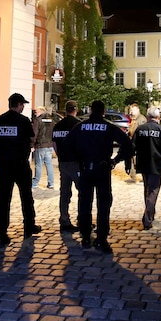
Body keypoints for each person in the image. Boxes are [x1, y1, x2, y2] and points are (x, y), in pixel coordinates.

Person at [64, 100, 133, 254]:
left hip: (85, 169)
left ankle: (86, 236)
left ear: (90, 110)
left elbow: (67, 145)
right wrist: (116, 160)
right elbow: (128, 145)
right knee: (103, 204)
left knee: (84, 203)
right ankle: (101, 238)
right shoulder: (109, 126)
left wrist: (78, 160)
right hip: (103, 169)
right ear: (103, 112)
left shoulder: (80, 126)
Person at [0, 93, 41, 248]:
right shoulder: (23, 121)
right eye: (22, 104)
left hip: (4, 164)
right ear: (18, 104)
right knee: (26, 196)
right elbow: (31, 139)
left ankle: (1, 232)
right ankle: (29, 225)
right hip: (20, 164)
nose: (23, 107)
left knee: (3, 199)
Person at [132, 108, 161, 230]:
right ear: (158, 117)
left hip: (143, 163)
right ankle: (147, 219)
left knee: (147, 189)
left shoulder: (140, 129)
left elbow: (133, 145)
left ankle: (150, 213)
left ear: (147, 116)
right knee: (153, 191)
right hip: (156, 164)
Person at [51, 99, 82, 232]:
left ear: (66, 110)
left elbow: (54, 145)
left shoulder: (58, 125)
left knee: (64, 193)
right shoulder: (79, 125)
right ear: (76, 110)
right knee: (83, 192)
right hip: (77, 163)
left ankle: (64, 219)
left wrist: (60, 155)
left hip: (63, 163)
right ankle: (82, 219)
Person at [32, 106, 56, 189]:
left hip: (40, 145)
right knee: (49, 164)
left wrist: (32, 145)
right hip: (49, 145)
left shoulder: (38, 120)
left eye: (36, 112)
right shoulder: (51, 120)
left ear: (41, 111)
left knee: (38, 164)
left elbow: (34, 134)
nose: (35, 113)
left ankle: (35, 183)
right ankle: (51, 183)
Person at [126, 103, 147, 180]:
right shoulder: (134, 119)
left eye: (133, 110)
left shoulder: (142, 119)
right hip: (133, 142)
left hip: (139, 143)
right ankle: (133, 176)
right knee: (132, 159)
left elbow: (142, 132)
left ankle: (143, 176)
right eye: (131, 110)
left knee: (139, 160)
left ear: (138, 110)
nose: (131, 112)